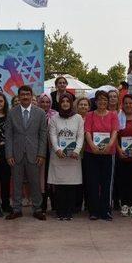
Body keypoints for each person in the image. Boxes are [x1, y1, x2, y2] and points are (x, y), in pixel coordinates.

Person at [4, 85, 48, 221]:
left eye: (27, 94)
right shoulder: (12, 112)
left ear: (31, 96)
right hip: (16, 154)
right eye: (22, 94)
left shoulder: (40, 113)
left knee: (35, 183)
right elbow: (9, 135)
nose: (25, 96)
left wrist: (41, 154)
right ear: (18, 96)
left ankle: (37, 209)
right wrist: (9, 154)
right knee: (16, 183)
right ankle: (16, 209)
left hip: (34, 154)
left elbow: (43, 135)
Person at [48, 92, 84, 220]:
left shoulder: (78, 118)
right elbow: (52, 135)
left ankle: (69, 212)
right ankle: (60, 212)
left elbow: (80, 136)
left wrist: (77, 150)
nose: (65, 104)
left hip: (73, 157)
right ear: (59, 103)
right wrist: (57, 149)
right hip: (58, 156)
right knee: (59, 186)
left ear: (71, 103)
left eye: (67, 101)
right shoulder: (54, 118)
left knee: (71, 186)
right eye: (63, 102)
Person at [84, 90, 118, 220]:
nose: (102, 102)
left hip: (109, 153)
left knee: (107, 183)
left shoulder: (113, 115)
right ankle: (94, 211)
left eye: (105, 99)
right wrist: (92, 145)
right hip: (91, 153)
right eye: (100, 99)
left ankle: (106, 210)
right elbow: (87, 131)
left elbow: (115, 131)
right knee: (92, 182)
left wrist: (110, 145)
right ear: (95, 101)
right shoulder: (89, 115)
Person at [37, 92, 58, 213]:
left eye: (48, 102)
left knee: (53, 176)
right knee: (42, 178)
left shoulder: (56, 114)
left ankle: (55, 204)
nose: (45, 104)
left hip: (54, 150)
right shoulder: (35, 114)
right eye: (43, 102)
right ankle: (43, 205)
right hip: (40, 150)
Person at [74, 96, 91, 212]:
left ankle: (88, 204)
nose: (83, 106)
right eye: (81, 104)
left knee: (88, 179)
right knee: (77, 180)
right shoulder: (74, 118)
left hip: (90, 153)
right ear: (77, 106)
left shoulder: (92, 118)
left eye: (85, 105)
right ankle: (77, 204)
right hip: (76, 154)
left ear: (89, 107)